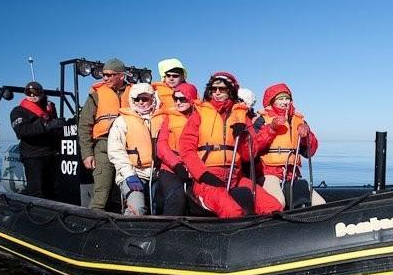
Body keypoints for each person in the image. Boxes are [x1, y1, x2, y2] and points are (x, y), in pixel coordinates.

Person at [178, 71, 283, 218]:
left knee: (273, 206)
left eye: (222, 89)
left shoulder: (241, 116)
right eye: (213, 89)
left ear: (231, 90)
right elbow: (186, 149)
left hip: (236, 177)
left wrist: (244, 136)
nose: (217, 92)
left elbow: (249, 154)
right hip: (207, 178)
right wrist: (203, 175)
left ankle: (274, 236)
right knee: (232, 211)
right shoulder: (199, 114)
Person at [254, 83, 325, 208]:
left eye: (287, 98)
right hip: (268, 172)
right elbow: (254, 147)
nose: (285, 102)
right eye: (280, 99)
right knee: (277, 203)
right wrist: (271, 128)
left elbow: (309, 152)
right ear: (272, 101)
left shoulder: (299, 120)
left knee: (320, 204)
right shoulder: (262, 120)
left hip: (292, 174)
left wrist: (306, 136)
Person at [78, 58, 129, 210]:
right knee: (101, 192)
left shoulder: (135, 92)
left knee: (131, 191)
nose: (105, 78)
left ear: (121, 75)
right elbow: (84, 125)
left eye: (109, 75)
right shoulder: (97, 95)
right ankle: (93, 225)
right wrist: (87, 153)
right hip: (103, 146)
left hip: (128, 146)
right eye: (104, 74)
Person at [107, 83, 161, 217]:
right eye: (137, 99)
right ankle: (129, 233)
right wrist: (129, 174)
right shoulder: (121, 121)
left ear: (152, 99)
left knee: (167, 205)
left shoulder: (162, 119)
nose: (141, 102)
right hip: (132, 173)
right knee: (137, 208)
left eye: (145, 99)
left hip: (157, 174)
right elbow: (115, 151)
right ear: (132, 100)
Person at [9, 81, 64, 199]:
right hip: (33, 156)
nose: (32, 95)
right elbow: (22, 131)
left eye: (36, 92)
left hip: (51, 154)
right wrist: (47, 126)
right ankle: (36, 215)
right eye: (28, 92)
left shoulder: (49, 110)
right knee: (37, 191)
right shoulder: (18, 111)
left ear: (42, 93)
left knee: (54, 189)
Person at [154, 82, 198, 216]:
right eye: (176, 99)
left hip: (195, 168)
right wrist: (177, 165)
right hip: (171, 169)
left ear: (192, 99)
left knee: (199, 199)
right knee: (176, 195)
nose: (178, 102)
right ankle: (170, 231)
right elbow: (161, 146)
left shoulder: (202, 118)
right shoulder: (169, 118)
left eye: (182, 99)